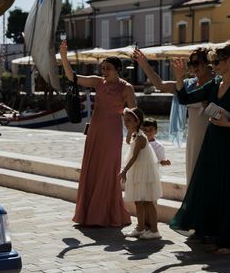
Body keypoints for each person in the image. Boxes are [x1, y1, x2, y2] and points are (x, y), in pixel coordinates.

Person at [60, 40, 137, 227]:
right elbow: (73, 77)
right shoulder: (97, 82)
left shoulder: (127, 88)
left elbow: (134, 113)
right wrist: (63, 56)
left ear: (118, 69)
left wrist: (132, 133)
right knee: (92, 168)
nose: (104, 71)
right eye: (102, 68)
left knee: (108, 170)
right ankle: (89, 214)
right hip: (95, 130)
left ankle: (104, 214)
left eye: (108, 68)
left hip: (112, 131)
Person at [170, 41, 230, 254]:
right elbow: (185, 98)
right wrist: (179, 77)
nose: (213, 66)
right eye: (212, 62)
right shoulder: (214, 85)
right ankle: (216, 234)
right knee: (212, 186)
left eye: (216, 62)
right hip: (213, 142)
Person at [134, 47, 212, 182]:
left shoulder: (218, 84)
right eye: (190, 64)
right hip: (194, 137)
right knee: (194, 176)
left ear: (207, 64)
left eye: (196, 63)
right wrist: (144, 64)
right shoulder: (187, 85)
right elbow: (160, 85)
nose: (193, 67)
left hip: (213, 134)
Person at [120, 107, 163, 239]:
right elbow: (128, 142)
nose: (126, 123)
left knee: (147, 201)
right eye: (124, 120)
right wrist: (128, 132)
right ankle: (140, 227)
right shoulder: (135, 135)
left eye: (129, 120)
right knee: (138, 200)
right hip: (138, 171)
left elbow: (134, 156)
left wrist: (124, 170)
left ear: (137, 122)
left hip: (143, 172)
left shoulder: (140, 137)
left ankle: (155, 230)